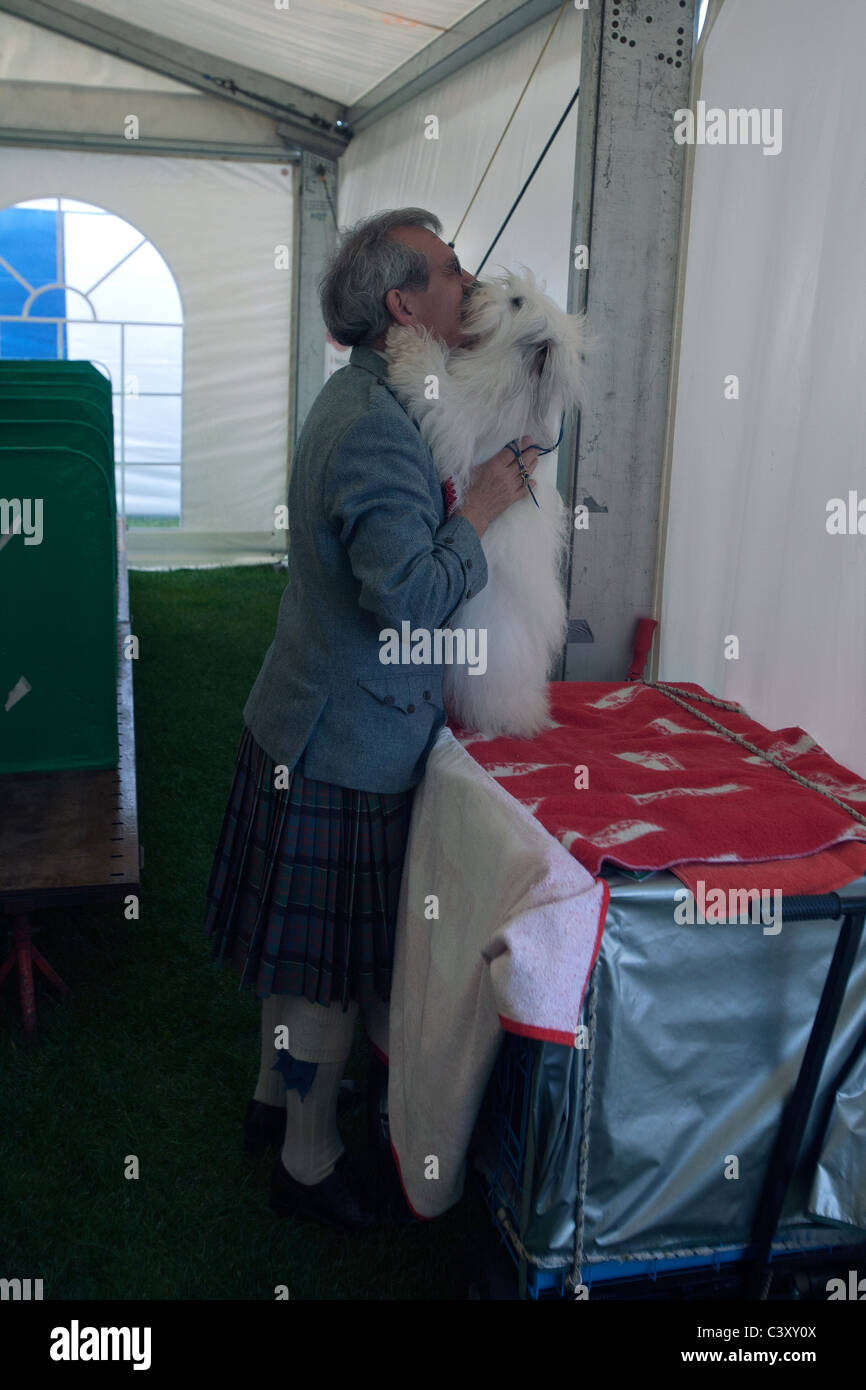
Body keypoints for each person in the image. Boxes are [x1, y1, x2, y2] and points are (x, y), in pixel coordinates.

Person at [202, 207, 540, 1229]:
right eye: (449, 272)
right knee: (327, 982)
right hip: (341, 741)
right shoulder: (375, 431)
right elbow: (409, 599)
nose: (468, 284)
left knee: (295, 962)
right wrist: (480, 509)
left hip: (306, 720)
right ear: (402, 305)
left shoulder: (364, 397)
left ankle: (274, 1105)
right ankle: (307, 1165)